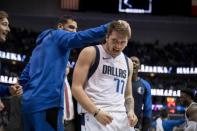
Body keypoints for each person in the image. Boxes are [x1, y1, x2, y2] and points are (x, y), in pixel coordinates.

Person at [19, 15, 125, 131]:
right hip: (47, 104)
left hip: (28, 105)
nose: (74, 31)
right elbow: (79, 37)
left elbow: (24, 78)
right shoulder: (57, 35)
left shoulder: (38, 47)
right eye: (71, 27)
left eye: (75, 29)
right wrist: (108, 27)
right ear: (60, 27)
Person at [72, 20, 138, 131]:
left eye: (122, 42)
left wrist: (131, 111)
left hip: (122, 118)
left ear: (127, 42)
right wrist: (96, 112)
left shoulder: (128, 62)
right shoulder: (91, 52)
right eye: (114, 40)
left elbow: (128, 95)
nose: (118, 46)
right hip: (96, 115)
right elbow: (76, 88)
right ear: (107, 37)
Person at [130, 56, 152, 131]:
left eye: (136, 62)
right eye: (131, 61)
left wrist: (145, 128)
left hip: (135, 125)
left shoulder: (145, 85)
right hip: (118, 122)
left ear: (139, 66)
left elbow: (148, 108)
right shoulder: (121, 82)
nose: (133, 63)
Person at [64, 63, 75, 131]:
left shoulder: (73, 83)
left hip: (71, 122)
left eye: (67, 67)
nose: (65, 69)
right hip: (58, 122)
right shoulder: (51, 84)